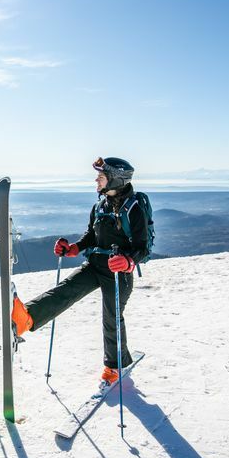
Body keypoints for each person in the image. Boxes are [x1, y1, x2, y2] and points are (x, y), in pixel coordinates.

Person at [11, 157, 149, 385]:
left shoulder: (134, 208)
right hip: (95, 264)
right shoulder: (100, 205)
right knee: (67, 290)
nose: (97, 180)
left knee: (111, 317)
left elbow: (142, 247)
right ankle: (26, 318)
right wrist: (74, 248)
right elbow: (91, 236)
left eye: (101, 177)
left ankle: (114, 366)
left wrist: (128, 262)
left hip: (118, 273)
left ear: (115, 179)